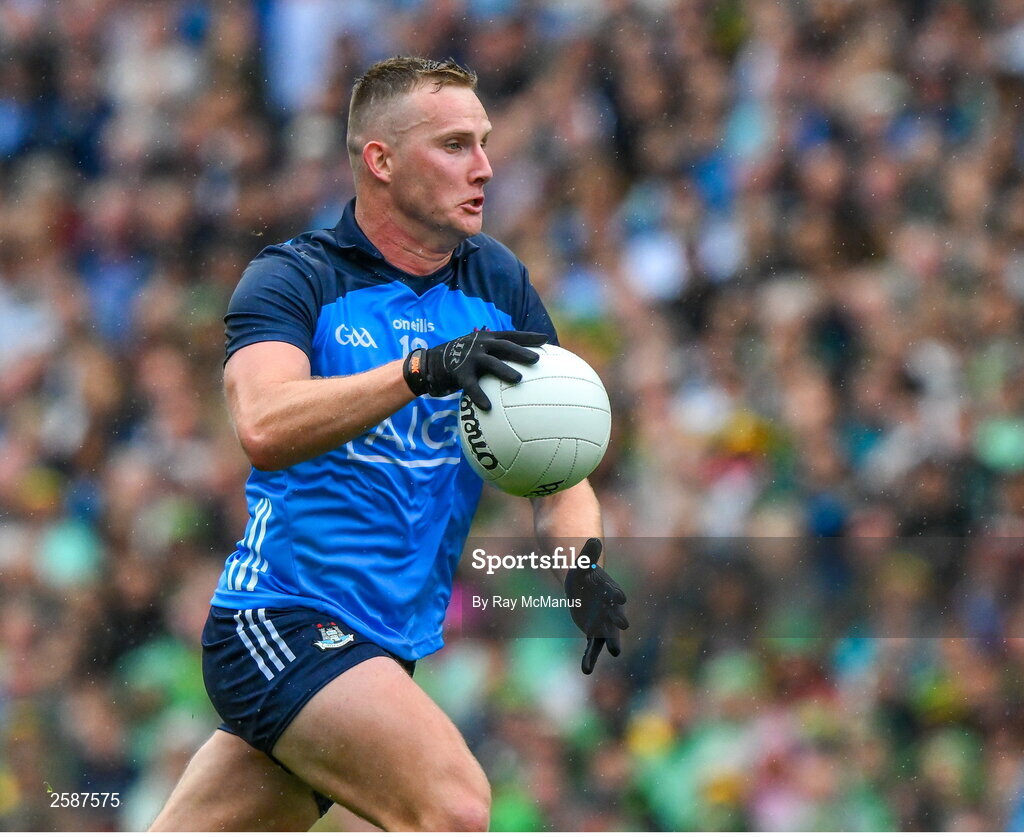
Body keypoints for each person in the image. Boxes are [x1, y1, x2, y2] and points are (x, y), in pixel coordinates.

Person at [149, 56, 628, 832]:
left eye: (484, 142)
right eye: (455, 145)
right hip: (281, 620)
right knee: (457, 808)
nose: (485, 166)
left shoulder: (499, 285)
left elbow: (558, 461)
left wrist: (578, 567)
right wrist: (416, 371)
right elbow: (264, 425)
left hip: (380, 644)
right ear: (381, 160)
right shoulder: (295, 278)